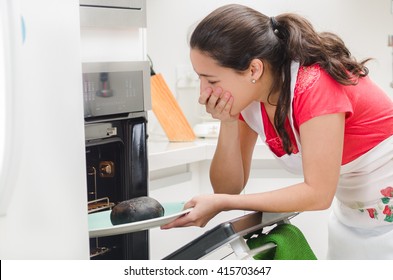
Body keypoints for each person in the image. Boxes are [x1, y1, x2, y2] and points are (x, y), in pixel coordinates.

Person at [161, 4, 393, 259]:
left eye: (212, 80)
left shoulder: (314, 86)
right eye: (200, 78)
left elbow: (317, 194)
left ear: (254, 69)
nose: (203, 93)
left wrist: (225, 204)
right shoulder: (249, 98)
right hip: (353, 218)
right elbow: (228, 187)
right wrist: (227, 122)